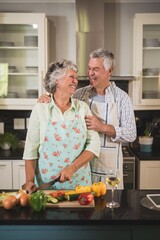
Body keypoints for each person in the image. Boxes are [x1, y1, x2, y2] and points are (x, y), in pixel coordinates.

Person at [38, 49, 137, 189]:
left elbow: (131, 134)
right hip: (79, 169)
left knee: (106, 208)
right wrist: (48, 97)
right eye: (89, 68)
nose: (90, 73)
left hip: (107, 169)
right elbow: (61, 99)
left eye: (96, 69)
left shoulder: (122, 98)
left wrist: (101, 127)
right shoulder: (80, 94)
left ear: (110, 71)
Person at [23, 59, 100, 194]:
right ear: (57, 80)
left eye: (76, 78)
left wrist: (73, 167)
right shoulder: (41, 109)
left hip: (79, 186)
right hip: (47, 187)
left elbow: (94, 145)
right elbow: (30, 149)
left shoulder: (82, 108)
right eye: (71, 77)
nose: (76, 81)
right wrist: (29, 181)